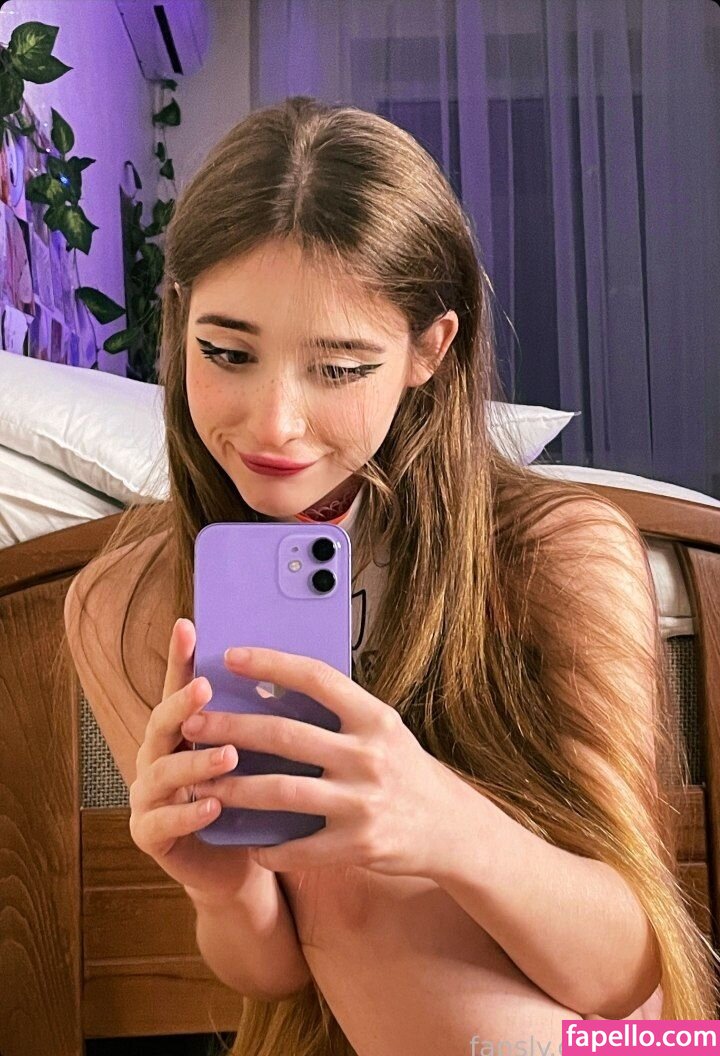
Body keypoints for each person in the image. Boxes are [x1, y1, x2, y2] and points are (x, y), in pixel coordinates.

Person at [61, 96, 718, 1056]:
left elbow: (626, 972)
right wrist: (220, 886)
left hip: (632, 1041)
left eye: (338, 369)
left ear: (428, 350)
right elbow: (271, 974)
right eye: (226, 353)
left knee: (361, 840)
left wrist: (439, 819)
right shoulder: (124, 604)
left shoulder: (559, 553)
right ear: (180, 319)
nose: (274, 424)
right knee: (336, 860)